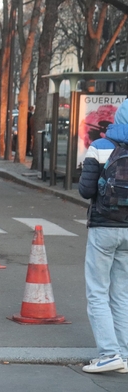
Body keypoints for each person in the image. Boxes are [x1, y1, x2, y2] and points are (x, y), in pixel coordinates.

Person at [78, 99, 128, 373]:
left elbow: (86, 191)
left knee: (98, 292)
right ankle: (125, 354)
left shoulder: (100, 146)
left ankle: (109, 354)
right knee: (121, 294)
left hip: (103, 227)